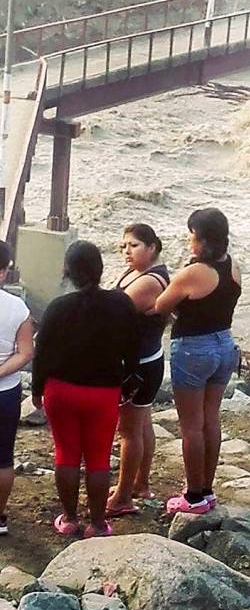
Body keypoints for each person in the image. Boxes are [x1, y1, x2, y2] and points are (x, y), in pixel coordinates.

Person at [32, 241, 139, 539]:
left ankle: (68, 519)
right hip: (103, 392)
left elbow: (42, 353)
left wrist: (37, 389)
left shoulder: (57, 308)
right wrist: (129, 383)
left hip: (61, 390)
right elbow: (133, 349)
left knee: (65, 453)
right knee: (98, 458)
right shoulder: (121, 304)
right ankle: (98, 524)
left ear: (68, 271)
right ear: (100, 269)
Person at [154, 208, 241, 516]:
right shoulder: (232, 267)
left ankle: (192, 497)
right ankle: (206, 490)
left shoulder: (194, 273)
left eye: (191, 235)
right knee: (210, 419)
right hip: (225, 344)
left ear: (203, 241)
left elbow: (159, 306)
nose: (188, 240)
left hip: (194, 348)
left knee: (191, 426)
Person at [106, 224, 169, 518]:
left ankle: (122, 496)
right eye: (123, 247)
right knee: (142, 424)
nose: (126, 252)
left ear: (152, 247)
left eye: (133, 246)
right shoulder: (135, 273)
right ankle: (140, 483)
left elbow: (114, 315)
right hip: (146, 359)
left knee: (129, 431)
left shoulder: (151, 281)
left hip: (141, 365)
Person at [0, 241, 33, 537]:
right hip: (5, 391)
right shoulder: (18, 309)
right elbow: (25, 353)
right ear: (4, 272)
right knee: (3, 457)